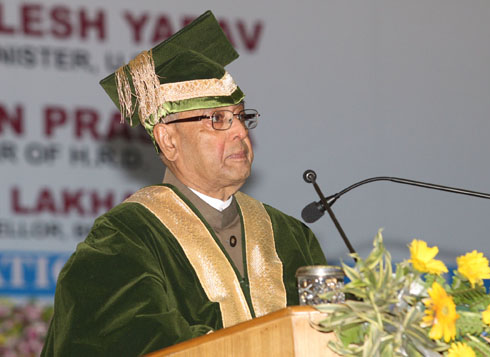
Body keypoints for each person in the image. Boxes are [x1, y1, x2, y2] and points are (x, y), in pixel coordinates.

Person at [41, 11, 326, 356]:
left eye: (241, 116)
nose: (240, 131)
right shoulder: (125, 240)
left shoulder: (290, 237)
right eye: (217, 119)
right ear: (168, 140)